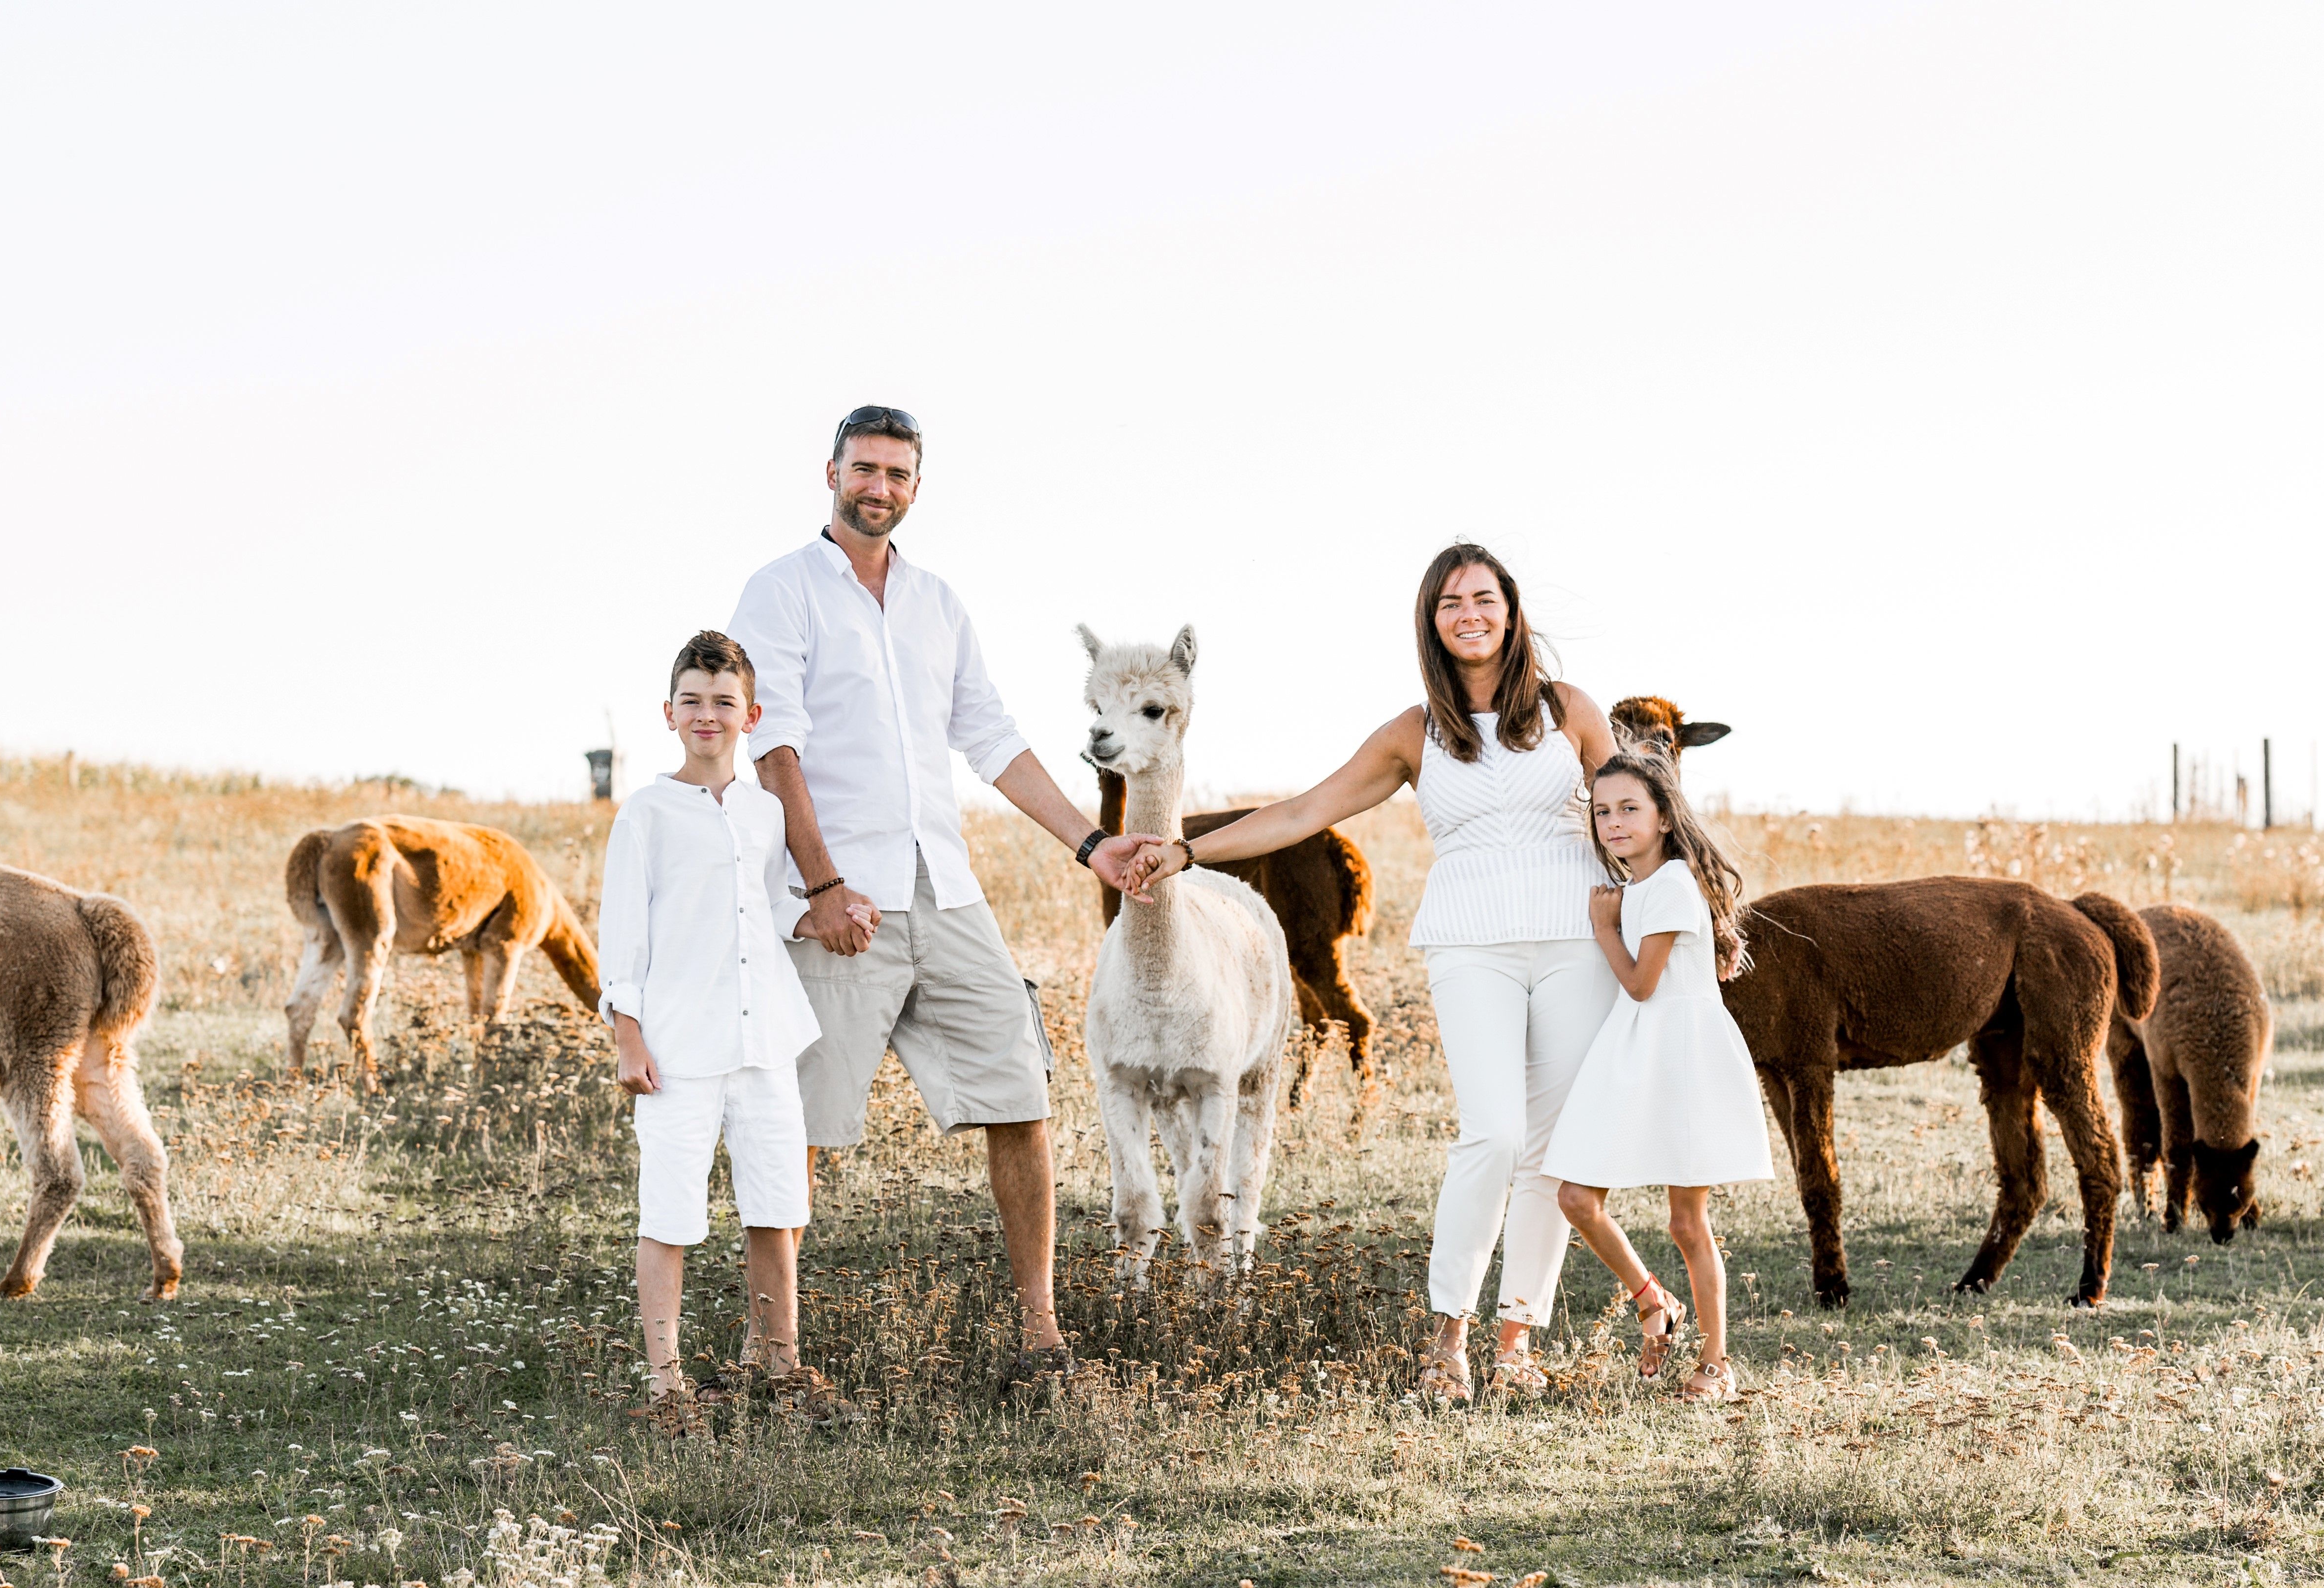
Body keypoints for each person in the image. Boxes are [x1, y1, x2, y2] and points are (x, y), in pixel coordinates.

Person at [1131, 542, 1618, 1399]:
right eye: (1449, 603)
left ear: (1510, 610)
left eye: (1483, 598)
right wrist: (1186, 851)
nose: (1469, 614)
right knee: (1493, 1134)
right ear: (1431, 623)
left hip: (1578, 942)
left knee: (1547, 1151)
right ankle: (1446, 1342)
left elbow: (1633, 813)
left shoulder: (1570, 709)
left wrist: (1694, 916)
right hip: (1471, 945)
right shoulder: (1414, 732)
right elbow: (1305, 808)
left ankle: (1516, 1345)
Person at [728, 405, 1157, 1372]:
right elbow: (774, 744)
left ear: (916, 487)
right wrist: (824, 882)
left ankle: (1040, 1336)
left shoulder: (938, 602)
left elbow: (991, 737)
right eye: (864, 468)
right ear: (830, 471)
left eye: (898, 474)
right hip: (842, 901)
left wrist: (1092, 844)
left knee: (1020, 1093)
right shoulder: (782, 591)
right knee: (796, 1122)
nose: (879, 487)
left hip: (946, 892)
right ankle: (774, 1357)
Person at [599, 630, 822, 1403]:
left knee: (776, 1207)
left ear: (750, 713)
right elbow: (623, 934)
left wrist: (823, 917)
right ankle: (668, 1384)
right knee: (669, 1214)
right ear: (668, 712)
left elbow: (763, 908)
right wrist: (627, 1033)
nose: (707, 714)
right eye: (692, 700)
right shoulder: (648, 813)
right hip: (678, 1049)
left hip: (764, 1042)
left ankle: (782, 1369)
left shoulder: (765, 814)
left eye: (723, 702)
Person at [1545, 750, 1774, 1401]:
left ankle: (1716, 1363)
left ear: (1665, 818)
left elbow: (1644, 983)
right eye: (1602, 811)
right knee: (1575, 1197)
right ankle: (1654, 1300)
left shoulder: (1670, 885)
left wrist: (1602, 927)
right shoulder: (1647, 886)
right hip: (1634, 1050)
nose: (1613, 822)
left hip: (1680, 1054)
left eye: (1628, 809)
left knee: (1686, 1222)